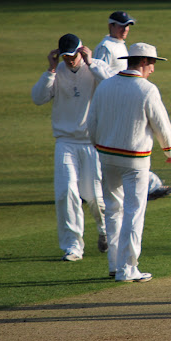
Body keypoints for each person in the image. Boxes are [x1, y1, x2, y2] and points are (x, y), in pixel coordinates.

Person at [87, 43, 171, 282]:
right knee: (133, 212)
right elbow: (162, 125)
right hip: (134, 161)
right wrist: (169, 149)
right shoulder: (147, 89)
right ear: (144, 62)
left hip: (106, 157)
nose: (153, 70)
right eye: (153, 64)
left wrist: (99, 145)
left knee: (113, 211)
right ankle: (127, 269)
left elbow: (91, 122)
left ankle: (115, 265)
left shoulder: (105, 85)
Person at [31, 33, 112, 261]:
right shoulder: (57, 72)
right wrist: (51, 69)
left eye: (73, 55)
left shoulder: (96, 68)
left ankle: (105, 230)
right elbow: (38, 98)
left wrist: (91, 62)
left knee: (95, 195)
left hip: (92, 141)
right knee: (66, 192)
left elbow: (110, 85)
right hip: (65, 141)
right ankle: (73, 246)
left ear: (81, 50)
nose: (70, 60)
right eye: (65, 56)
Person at [94, 10, 171, 201]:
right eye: (121, 25)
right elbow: (100, 74)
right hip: (117, 102)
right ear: (110, 26)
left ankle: (151, 184)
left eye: (128, 25)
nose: (125, 29)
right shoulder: (105, 48)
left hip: (121, 102)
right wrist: (168, 148)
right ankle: (90, 190)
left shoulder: (124, 48)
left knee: (115, 202)